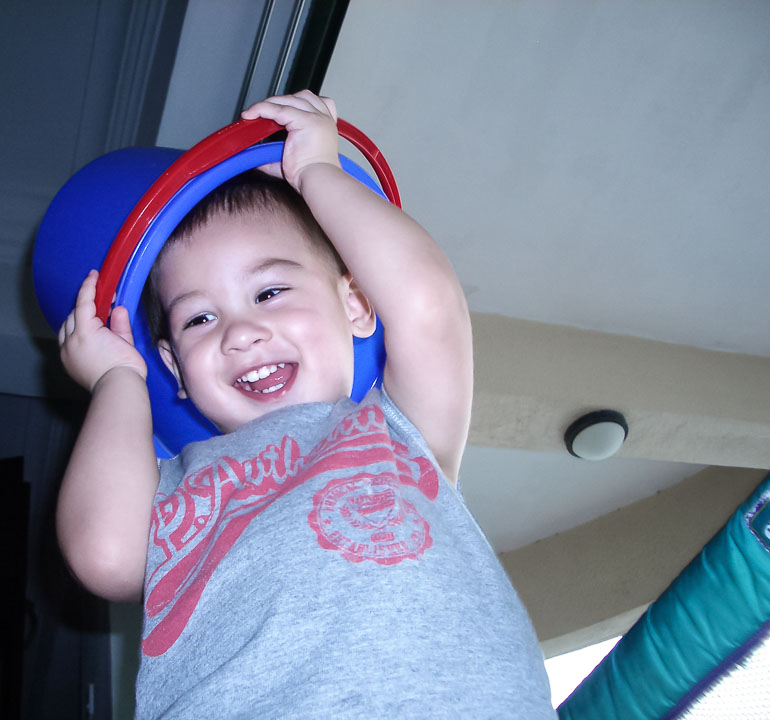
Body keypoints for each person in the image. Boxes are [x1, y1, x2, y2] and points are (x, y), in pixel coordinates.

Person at [55, 91, 556, 718]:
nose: (240, 333)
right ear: (174, 369)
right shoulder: (173, 492)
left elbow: (428, 304)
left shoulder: (397, 431)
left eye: (270, 292)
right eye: (200, 318)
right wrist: (118, 381)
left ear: (357, 305)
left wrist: (318, 172)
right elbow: (104, 556)